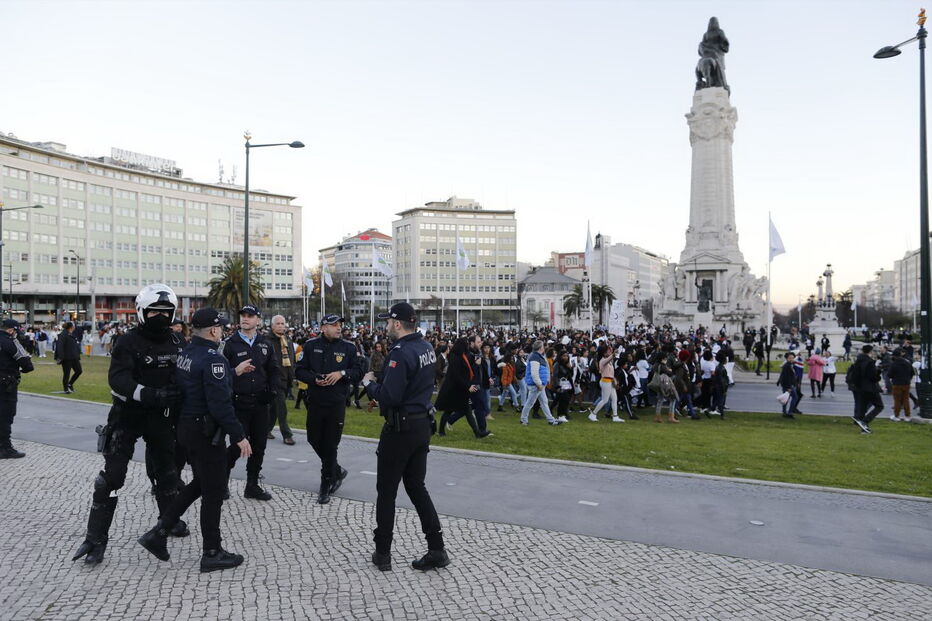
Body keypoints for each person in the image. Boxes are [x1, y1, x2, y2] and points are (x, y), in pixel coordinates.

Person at [72, 284, 188, 566]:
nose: (160, 316)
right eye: (154, 311)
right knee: (111, 478)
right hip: (127, 417)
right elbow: (118, 380)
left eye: (166, 312)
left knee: (168, 474)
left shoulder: (178, 342)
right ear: (141, 312)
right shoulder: (127, 341)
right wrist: (149, 394)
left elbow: (188, 373)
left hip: (162, 418)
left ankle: (167, 523)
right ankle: (95, 539)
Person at [137, 307, 253, 573]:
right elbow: (220, 404)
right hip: (205, 433)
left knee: (200, 483)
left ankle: (159, 532)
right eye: (220, 328)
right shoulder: (213, 360)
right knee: (213, 492)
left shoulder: (187, 353)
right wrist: (239, 436)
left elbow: (199, 384)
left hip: (187, 428)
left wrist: (232, 372)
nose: (222, 331)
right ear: (213, 330)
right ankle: (212, 551)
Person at [362, 302, 448, 572]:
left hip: (401, 428)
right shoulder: (426, 347)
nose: (387, 326)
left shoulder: (400, 352)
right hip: (422, 424)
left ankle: (382, 553)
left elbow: (390, 396)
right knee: (416, 486)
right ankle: (437, 548)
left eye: (389, 322)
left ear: (398, 324)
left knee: (387, 492)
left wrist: (369, 384)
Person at [293, 314, 367, 504]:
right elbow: (299, 370)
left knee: (331, 444)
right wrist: (314, 379)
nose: (338, 327)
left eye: (340, 324)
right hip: (315, 401)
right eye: (334, 325)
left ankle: (326, 483)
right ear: (323, 327)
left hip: (336, 402)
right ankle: (336, 470)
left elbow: (359, 371)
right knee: (313, 438)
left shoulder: (349, 347)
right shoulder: (310, 346)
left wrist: (341, 373)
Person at [220, 305, 280, 501]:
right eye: (243, 315)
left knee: (259, 446)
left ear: (258, 320)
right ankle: (222, 483)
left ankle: (252, 485)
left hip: (260, 404)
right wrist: (235, 371)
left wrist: (272, 391)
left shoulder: (265, 344)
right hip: (239, 403)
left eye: (250, 316)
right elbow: (219, 372)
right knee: (237, 446)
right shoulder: (229, 344)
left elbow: (273, 370)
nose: (245, 319)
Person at [435, 337, 486, 438]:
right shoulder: (455, 357)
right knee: (451, 410)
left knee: (465, 410)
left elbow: (467, 366)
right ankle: (441, 431)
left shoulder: (462, 355)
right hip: (454, 389)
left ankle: (477, 433)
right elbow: (457, 375)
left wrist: (475, 362)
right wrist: (467, 386)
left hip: (459, 388)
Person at [0, 319, 34, 459]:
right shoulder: (11, 342)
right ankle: (5, 448)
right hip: (6, 384)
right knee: (6, 415)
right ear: (11, 330)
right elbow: (26, 364)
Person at [519, 341, 565, 426]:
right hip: (536, 385)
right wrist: (539, 384)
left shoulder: (536, 356)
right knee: (530, 403)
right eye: (543, 346)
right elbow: (534, 373)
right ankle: (523, 419)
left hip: (539, 384)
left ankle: (551, 420)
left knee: (544, 402)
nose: (544, 348)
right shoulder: (535, 357)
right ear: (540, 348)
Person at [268, 315, 296, 446]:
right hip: (273, 380)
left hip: (286, 379)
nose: (280, 326)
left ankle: (266, 429)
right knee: (282, 408)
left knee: (274, 408)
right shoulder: (267, 341)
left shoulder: (288, 340)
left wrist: (292, 376)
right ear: (272, 326)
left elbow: (291, 359)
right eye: (278, 323)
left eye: (282, 323)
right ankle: (287, 435)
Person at [850, 344, 883, 433]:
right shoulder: (870, 362)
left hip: (860, 387)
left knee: (863, 406)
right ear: (870, 351)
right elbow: (872, 377)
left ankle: (863, 426)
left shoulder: (858, 361)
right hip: (870, 387)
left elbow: (855, 375)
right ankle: (865, 421)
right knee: (879, 406)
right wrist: (878, 373)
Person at [55, 321, 82, 393]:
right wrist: (60, 357)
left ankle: (70, 384)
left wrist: (78, 354)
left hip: (74, 357)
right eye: (74, 326)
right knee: (66, 374)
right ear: (71, 327)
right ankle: (66, 389)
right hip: (66, 358)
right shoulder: (63, 335)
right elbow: (60, 347)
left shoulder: (71, 334)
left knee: (79, 371)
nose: (75, 327)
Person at [889, 348, 914, 422]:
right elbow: (912, 372)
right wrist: (908, 379)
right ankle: (907, 416)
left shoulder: (894, 364)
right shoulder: (907, 362)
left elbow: (889, 374)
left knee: (897, 401)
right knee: (906, 400)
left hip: (897, 384)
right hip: (906, 383)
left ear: (894, 356)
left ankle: (896, 416)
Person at [777, 352, 798, 419]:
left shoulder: (790, 365)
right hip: (788, 385)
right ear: (786, 358)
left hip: (788, 385)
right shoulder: (787, 366)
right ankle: (790, 412)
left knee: (786, 399)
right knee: (795, 397)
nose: (791, 359)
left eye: (792, 358)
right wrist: (789, 387)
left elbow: (782, 375)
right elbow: (786, 377)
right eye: (790, 358)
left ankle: (784, 412)